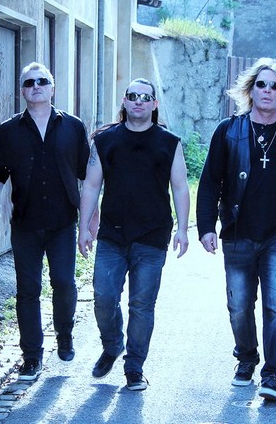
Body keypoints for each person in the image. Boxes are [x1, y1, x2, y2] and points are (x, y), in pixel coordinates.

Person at [196, 58, 276, 402]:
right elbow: (210, 182)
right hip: (238, 232)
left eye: (274, 86)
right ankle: (247, 357)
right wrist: (206, 226)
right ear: (250, 90)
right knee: (239, 306)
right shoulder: (228, 130)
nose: (267, 90)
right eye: (261, 84)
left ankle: (273, 375)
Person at [0, 62, 90, 380]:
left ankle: (64, 335)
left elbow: (89, 176)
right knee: (28, 290)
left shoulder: (73, 127)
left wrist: (90, 219)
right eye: (29, 82)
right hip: (25, 224)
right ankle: (31, 356)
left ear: (52, 88)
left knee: (64, 282)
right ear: (22, 91)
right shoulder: (8, 131)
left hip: (63, 223)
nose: (35, 86)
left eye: (42, 81)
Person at [78, 78, 190, 391]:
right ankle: (112, 344)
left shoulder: (169, 142)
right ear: (125, 101)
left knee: (141, 305)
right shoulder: (105, 140)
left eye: (145, 97)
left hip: (152, 236)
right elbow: (91, 185)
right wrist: (84, 226)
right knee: (104, 296)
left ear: (154, 104)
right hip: (112, 236)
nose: (139, 101)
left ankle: (134, 366)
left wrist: (183, 229)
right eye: (133, 96)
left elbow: (181, 187)